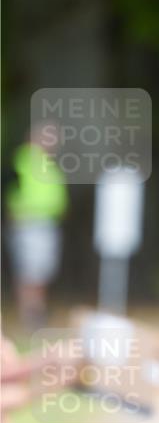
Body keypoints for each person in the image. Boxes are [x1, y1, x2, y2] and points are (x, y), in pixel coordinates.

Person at [6, 122, 68, 329]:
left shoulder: (46, 163)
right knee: (29, 272)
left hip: (47, 224)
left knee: (40, 273)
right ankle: (30, 316)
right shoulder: (25, 160)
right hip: (29, 223)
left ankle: (36, 312)